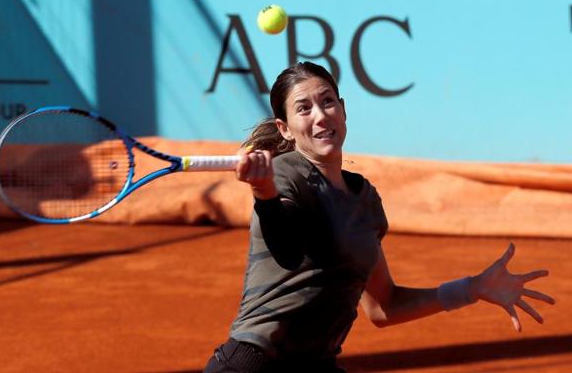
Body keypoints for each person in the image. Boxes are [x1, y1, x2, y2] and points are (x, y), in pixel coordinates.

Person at [203, 61, 555, 373]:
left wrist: (471, 288)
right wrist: (264, 194)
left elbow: (384, 307)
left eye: (327, 102)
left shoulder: (365, 199)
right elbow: (288, 251)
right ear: (285, 128)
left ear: (342, 110)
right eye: (304, 109)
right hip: (257, 365)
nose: (321, 115)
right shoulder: (283, 174)